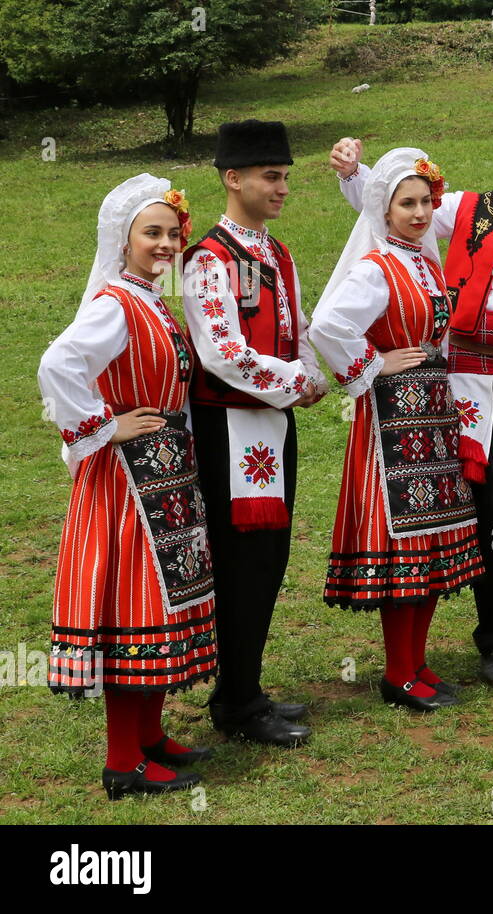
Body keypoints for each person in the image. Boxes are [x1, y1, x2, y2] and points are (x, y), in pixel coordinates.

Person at [330, 103, 493, 685]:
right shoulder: (464, 207)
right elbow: (393, 206)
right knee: (488, 508)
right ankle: (492, 635)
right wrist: (351, 172)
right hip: (475, 382)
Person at [40, 174, 217, 798]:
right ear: (124, 238)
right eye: (152, 234)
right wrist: (103, 425)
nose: (166, 244)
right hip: (127, 484)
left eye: (172, 233)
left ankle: (147, 734)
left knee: (161, 602)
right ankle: (124, 761)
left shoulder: (147, 297)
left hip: (162, 472)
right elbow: (58, 364)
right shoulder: (116, 302)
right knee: (134, 609)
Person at [310, 148, 484, 711]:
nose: (417, 212)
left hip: (431, 412)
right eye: (406, 203)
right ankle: (398, 671)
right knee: (405, 544)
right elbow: (330, 324)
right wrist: (373, 364)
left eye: (425, 202)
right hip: (393, 417)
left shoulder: (424, 261)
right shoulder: (375, 266)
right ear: (383, 210)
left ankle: (417, 663)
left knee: (431, 540)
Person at [183, 119, 328, 746]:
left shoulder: (277, 253)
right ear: (232, 177)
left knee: (267, 562)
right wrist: (299, 382)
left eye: (286, 177)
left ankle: (244, 688)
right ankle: (238, 701)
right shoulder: (207, 260)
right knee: (243, 562)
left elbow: (296, 329)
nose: (283, 188)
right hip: (229, 425)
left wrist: (313, 373)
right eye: (272, 176)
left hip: (271, 422)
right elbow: (221, 352)